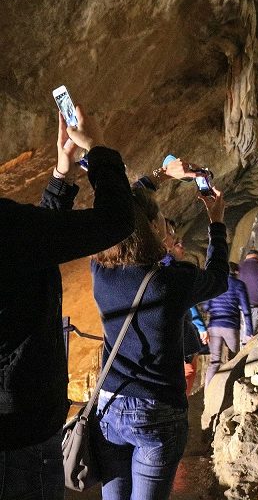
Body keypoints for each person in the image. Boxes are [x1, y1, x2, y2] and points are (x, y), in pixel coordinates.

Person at [0, 106, 135, 498]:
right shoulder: (10, 228)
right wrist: (97, 149)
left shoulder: (15, 234)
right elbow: (115, 221)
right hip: (22, 433)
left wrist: (62, 174)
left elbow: (36, 245)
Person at [91, 178, 228, 499]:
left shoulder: (99, 273)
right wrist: (217, 223)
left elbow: (116, 210)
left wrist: (147, 183)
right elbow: (219, 278)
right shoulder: (174, 280)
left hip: (110, 404)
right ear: (153, 226)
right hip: (158, 409)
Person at [163, 219, 209, 396]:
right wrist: (200, 327)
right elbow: (187, 303)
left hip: (175, 340)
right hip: (181, 339)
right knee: (187, 372)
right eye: (176, 243)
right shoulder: (173, 271)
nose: (182, 246)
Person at [204, 262, 253, 386]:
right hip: (230, 326)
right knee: (233, 360)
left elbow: (205, 306)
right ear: (235, 272)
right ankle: (229, 392)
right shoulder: (239, 285)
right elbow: (246, 310)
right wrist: (249, 332)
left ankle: (208, 395)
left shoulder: (214, 285)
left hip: (214, 326)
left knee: (214, 361)